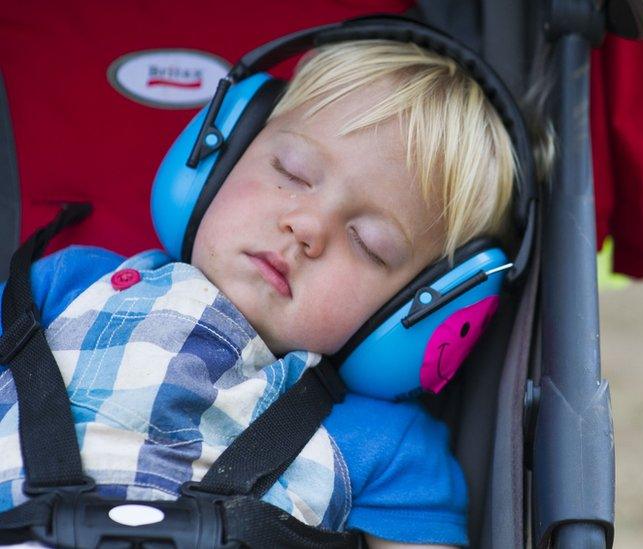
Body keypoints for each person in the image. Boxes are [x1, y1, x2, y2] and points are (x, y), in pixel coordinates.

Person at [0, 38, 518, 548]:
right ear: (217, 156)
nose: (306, 226)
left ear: (413, 308)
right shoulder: (65, 285)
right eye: (290, 172)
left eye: (369, 245)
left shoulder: (383, 445)